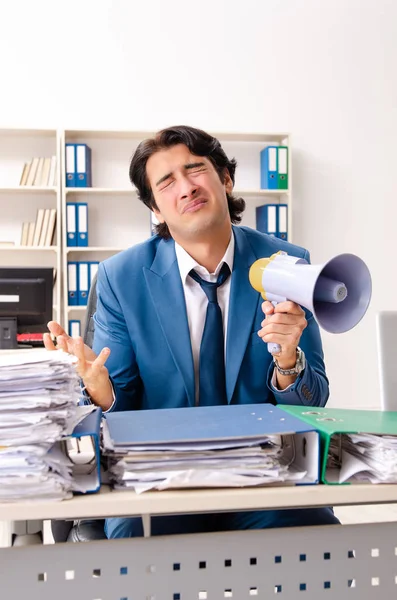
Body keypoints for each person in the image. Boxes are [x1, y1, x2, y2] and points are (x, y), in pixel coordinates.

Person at [44, 125, 339, 538]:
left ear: (225, 179)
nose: (185, 188)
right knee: (134, 543)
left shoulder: (286, 262)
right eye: (166, 182)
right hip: (162, 480)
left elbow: (315, 399)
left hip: (262, 479)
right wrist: (101, 390)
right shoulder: (121, 277)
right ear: (156, 210)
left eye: (195, 170)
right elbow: (121, 406)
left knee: (324, 544)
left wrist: (288, 362)